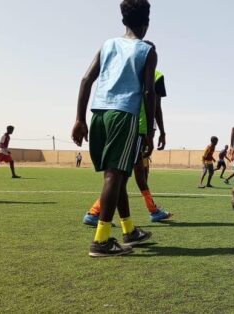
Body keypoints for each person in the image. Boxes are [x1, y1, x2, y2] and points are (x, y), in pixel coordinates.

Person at [71, 0, 154, 257]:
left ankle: (129, 231)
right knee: (114, 175)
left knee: (118, 175)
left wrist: (79, 119)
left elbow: (86, 79)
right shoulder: (147, 50)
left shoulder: (107, 44)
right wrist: (150, 131)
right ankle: (101, 241)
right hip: (124, 114)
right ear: (146, 23)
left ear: (123, 21)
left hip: (99, 114)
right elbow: (149, 91)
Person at [82, 70, 172, 226]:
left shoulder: (123, 71)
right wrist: (155, 133)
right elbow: (155, 105)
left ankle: (146, 214)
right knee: (123, 176)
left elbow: (88, 80)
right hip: (137, 127)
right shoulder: (155, 75)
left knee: (124, 173)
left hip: (116, 122)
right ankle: (96, 214)